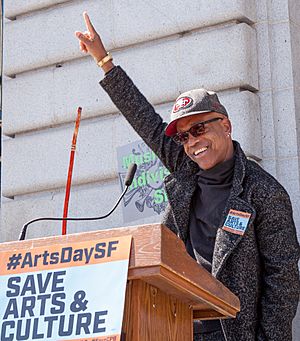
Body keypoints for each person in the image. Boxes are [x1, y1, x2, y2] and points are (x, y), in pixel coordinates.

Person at [75, 12, 300, 341]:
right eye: (183, 136)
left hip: (230, 331)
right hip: (172, 321)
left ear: (225, 125)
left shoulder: (264, 192)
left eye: (198, 129)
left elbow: (283, 285)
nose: (192, 142)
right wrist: (103, 60)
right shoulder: (184, 171)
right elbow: (144, 119)